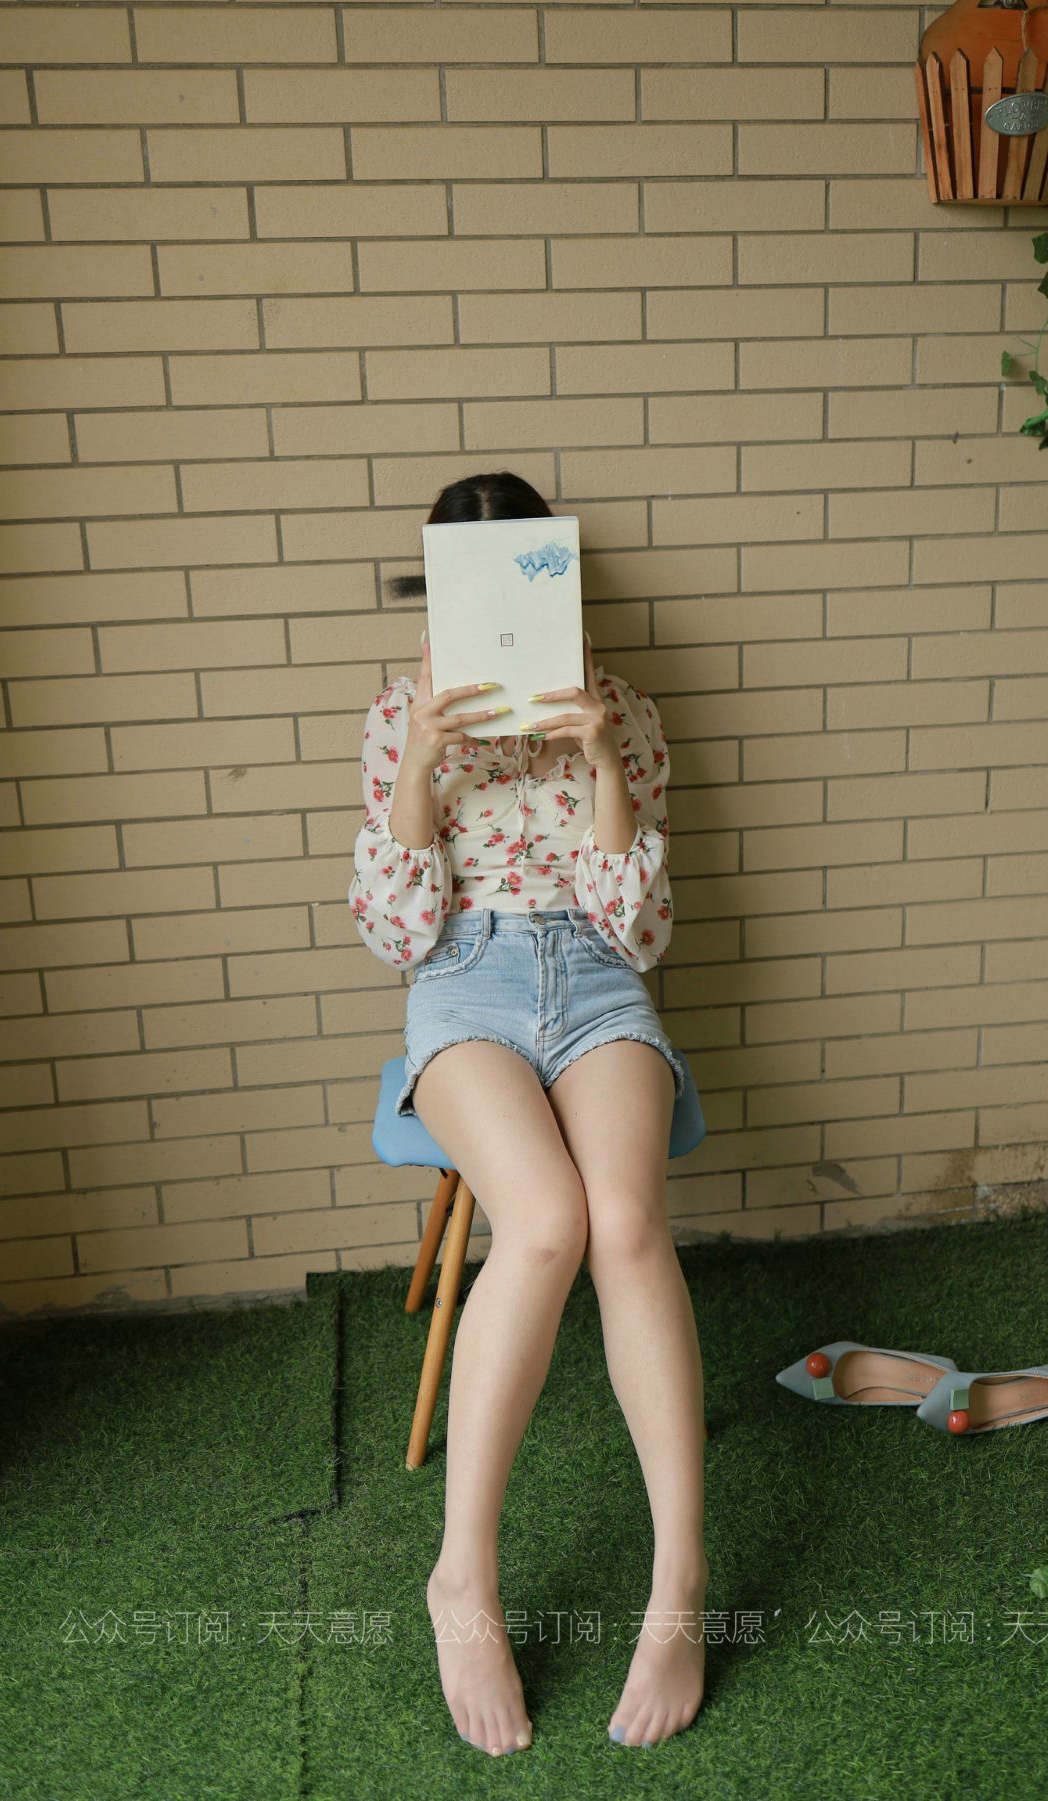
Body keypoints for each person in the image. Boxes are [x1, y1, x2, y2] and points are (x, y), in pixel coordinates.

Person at [348, 472, 709, 1758]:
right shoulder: (400, 714)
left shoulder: (624, 709)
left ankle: (680, 1586)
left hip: (597, 976)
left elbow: (640, 929)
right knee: (546, 1221)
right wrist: (423, 756)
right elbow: (397, 932)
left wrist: (602, 756)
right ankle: (463, 1575)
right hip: (465, 982)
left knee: (627, 1223)